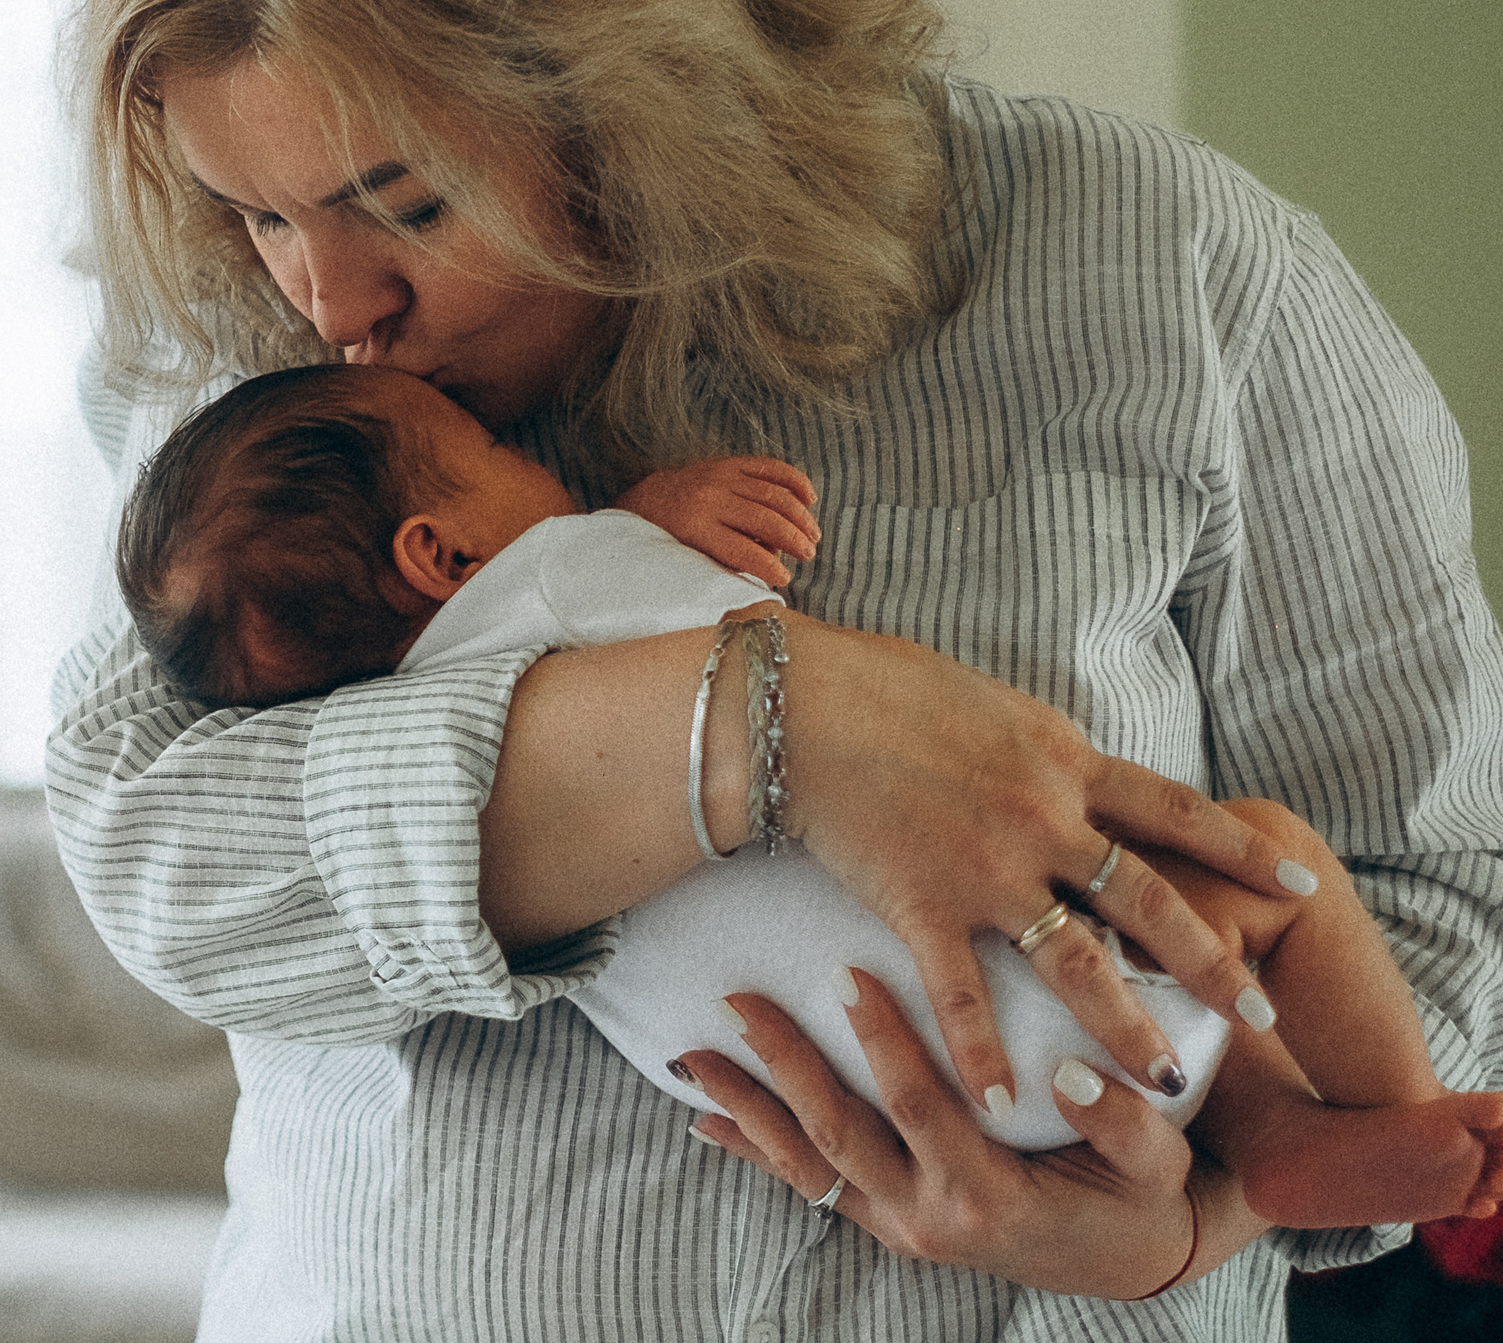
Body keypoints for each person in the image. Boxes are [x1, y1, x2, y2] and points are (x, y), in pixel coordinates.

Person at [48, 0, 1503, 1338]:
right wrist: (776, 726)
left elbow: (1450, 877)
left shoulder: (1168, 271)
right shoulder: (251, 395)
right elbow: (161, 851)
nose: (330, 306)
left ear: (629, 81)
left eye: (404, 202)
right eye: (256, 217)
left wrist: (1198, 1211)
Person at [114, 359, 1503, 1229]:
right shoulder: (567, 569)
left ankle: (1264, 1153)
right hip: (1031, 982)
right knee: (1271, 865)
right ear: (439, 549)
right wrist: (652, 511)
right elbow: (643, 599)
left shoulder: (398, 729)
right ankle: (1369, 1115)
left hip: (871, 1103)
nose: (536, 467)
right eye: (495, 454)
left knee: (1169, 1029)